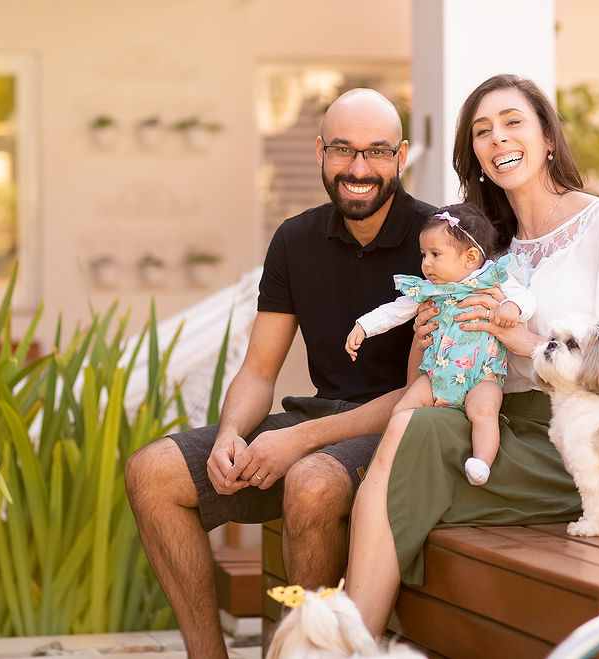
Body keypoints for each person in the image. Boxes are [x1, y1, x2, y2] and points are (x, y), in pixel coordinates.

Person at [343, 74, 599, 636]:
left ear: (548, 136)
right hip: (506, 423)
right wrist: (428, 336)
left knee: (402, 457)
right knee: (410, 430)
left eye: (512, 122)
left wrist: (536, 346)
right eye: (482, 131)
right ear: (473, 154)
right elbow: (434, 378)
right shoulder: (488, 250)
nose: (498, 139)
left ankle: (348, 635)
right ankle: (353, 639)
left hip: (596, 441)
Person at [124, 88, 435, 658]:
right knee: (153, 473)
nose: (358, 169)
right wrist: (229, 435)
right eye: (343, 150)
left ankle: (313, 654)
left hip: (402, 434)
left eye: (376, 152)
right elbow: (259, 370)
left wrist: (300, 439)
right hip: (318, 420)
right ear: (319, 151)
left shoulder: (437, 242)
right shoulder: (295, 239)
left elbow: (424, 395)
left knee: (311, 481)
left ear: (402, 155)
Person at [345, 203, 534, 486]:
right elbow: (395, 310)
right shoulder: (430, 289)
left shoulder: (492, 279)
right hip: (435, 377)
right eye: (424, 254)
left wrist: (513, 308)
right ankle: (391, 461)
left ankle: (481, 463)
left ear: (470, 257)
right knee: (403, 411)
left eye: (435, 254)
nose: (426, 263)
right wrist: (363, 326)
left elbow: (527, 299)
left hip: (481, 376)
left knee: (484, 412)